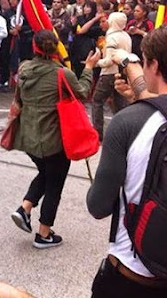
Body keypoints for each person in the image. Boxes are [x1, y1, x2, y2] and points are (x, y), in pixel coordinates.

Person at [87, 29, 167, 297]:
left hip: (134, 277)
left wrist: (138, 107)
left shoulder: (128, 122)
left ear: (154, 65)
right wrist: (140, 98)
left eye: (145, 61)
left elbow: (98, 206)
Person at [10, 30, 100, 249]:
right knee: (54, 184)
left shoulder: (24, 69)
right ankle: (44, 233)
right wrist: (88, 68)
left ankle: (25, 207)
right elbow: (83, 92)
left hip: (29, 139)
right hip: (54, 141)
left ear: (34, 47)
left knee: (46, 173)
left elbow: (18, 100)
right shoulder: (61, 74)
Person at [92, 12, 132, 142]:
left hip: (109, 73)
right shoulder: (126, 36)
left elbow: (109, 60)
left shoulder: (112, 37)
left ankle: (97, 133)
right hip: (122, 72)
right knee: (120, 104)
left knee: (97, 101)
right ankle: (125, 132)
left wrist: (96, 62)